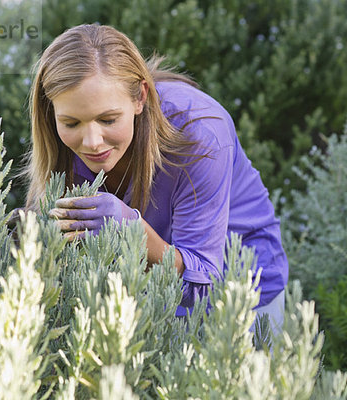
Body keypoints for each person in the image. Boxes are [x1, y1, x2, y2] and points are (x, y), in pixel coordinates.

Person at [22, 23, 288, 331]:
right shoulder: (60, 140)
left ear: (140, 98)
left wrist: (132, 232)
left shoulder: (200, 135)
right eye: (71, 123)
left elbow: (203, 285)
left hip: (240, 297)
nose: (92, 141)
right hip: (146, 300)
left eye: (108, 119)